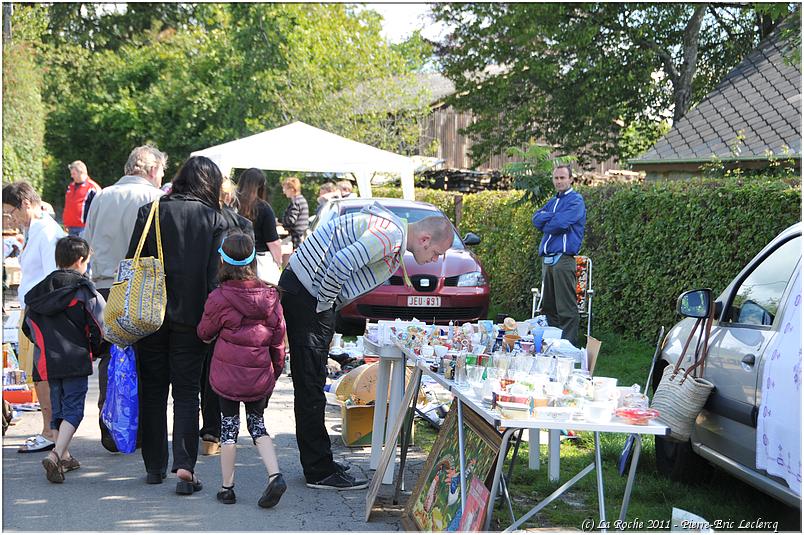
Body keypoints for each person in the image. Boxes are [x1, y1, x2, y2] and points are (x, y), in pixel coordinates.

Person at [279, 202, 454, 489]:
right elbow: (342, 263)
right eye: (436, 252)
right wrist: (324, 305)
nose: (434, 260)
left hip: (304, 289)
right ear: (424, 239)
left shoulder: (390, 230)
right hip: (308, 295)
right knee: (310, 384)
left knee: (311, 381)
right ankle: (318, 471)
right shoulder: (391, 236)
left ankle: (319, 462)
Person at [126, 155, 228, 494]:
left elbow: (134, 261)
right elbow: (217, 279)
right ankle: (185, 466)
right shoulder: (215, 219)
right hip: (194, 318)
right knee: (187, 393)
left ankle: (154, 467)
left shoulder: (151, 210)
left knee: (153, 391)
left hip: (149, 315)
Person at [83, 144, 167, 452]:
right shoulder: (154, 199)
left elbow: (87, 240)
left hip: (105, 284)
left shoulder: (101, 196)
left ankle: (109, 421)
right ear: (151, 170)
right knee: (145, 356)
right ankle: (138, 426)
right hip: (141, 286)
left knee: (111, 355)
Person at [197, 232, 287, 508]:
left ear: (222, 260)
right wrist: (275, 372)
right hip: (259, 374)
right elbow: (278, 341)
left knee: (228, 427)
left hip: (228, 376)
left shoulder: (219, 297)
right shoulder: (271, 297)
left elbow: (204, 332)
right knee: (258, 425)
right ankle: (275, 475)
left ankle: (227, 488)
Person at [22, 236, 105, 483]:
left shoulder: (36, 293)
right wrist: (96, 349)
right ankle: (56, 454)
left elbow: (28, 327)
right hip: (75, 358)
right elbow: (99, 326)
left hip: (47, 360)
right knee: (74, 410)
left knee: (58, 409)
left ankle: (65, 456)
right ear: (80, 260)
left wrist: (44, 345)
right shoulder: (83, 290)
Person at [2, 181, 66, 453]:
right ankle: (49, 428)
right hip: (36, 311)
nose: (10, 219)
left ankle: (51, 430)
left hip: (44, 312)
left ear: (25, 203)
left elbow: (55, 276)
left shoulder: (46, 231)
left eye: (11, 212)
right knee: (38, 372)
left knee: (43, 372)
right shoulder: (33, 229)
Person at [199, 176, 255, 457]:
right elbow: (250, 267)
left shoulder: (203, 222)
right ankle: (227, 430)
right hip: (239, 301)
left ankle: (210, 430)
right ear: (231, 196)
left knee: (207, 367)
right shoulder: (244, 225)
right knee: (230, 366)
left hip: (208, 298)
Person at [531, 165, 586, 346]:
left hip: (563, 259)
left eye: (562, 178)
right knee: (549, 306)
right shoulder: (552, 202)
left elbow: (561, 224)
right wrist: (551, 218)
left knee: (566, 307)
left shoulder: (576, 201)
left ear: (571, 179)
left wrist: (548, 220)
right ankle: (553, 344)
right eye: (556, 178)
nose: (559, 181)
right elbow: (535, 219)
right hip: (547, 261)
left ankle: (568, 346)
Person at [236, 168, 282, 283]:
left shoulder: (233, 205)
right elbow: (273, 242)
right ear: (261, 186)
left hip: (234, 258)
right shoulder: (264, 208)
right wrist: (278, 261)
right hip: (260, 261)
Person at [62, 161, 101, 237]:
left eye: (74, 174)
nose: (71, 176)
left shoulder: (92, 188)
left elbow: (99, 207)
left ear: (81, 172)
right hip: (70, 227)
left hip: (84, 228)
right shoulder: (71, 186)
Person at [280, 176, 309, 251]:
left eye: (285, 189)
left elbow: (291, 220)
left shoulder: (295, 202)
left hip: (297, 236)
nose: (284, 191)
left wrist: (280, 222)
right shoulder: (302, 199)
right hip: (301, 234)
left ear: (292, 189)